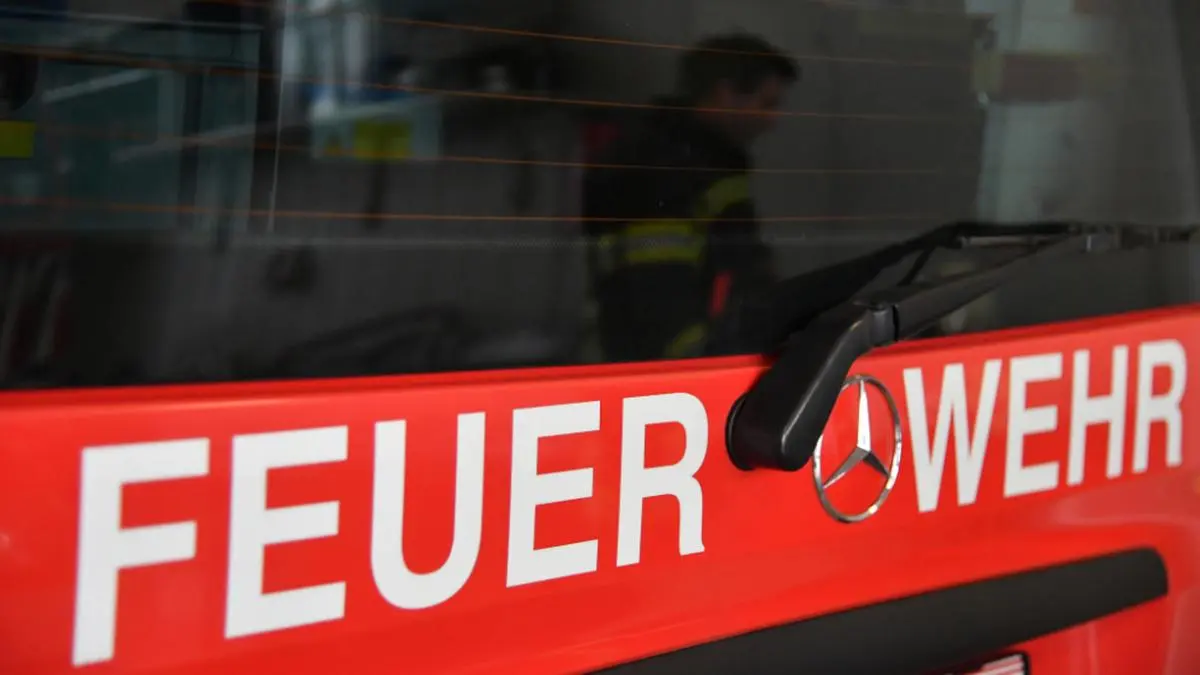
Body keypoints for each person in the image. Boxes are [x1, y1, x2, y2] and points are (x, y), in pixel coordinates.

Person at [583, 32, 798, 363]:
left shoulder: (711, 162)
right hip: (678, 370)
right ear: (725, 93)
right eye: (766, 104)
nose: (773, 121)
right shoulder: (665, 166)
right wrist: (704, 364)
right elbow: (658, 291)